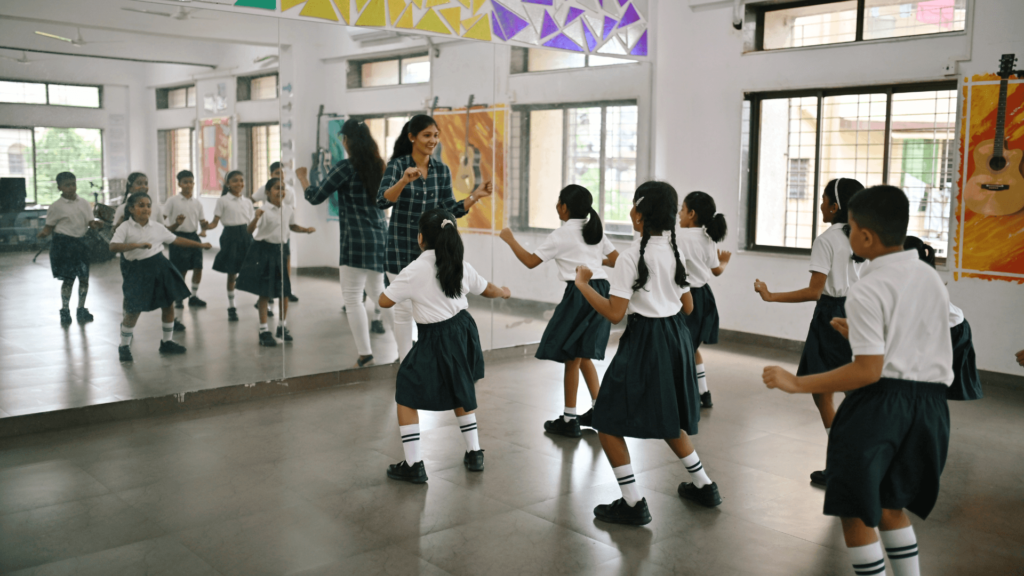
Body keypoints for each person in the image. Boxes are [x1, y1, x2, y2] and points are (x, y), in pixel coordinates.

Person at [763, 185, 952, 576]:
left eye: (849, 228)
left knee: (853, 508)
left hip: (883, 406)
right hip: (931, 409)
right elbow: (916, 339)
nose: (846, 235)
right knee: (890, 505)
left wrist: (796, 383)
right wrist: (865, 336)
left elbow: (868, 371)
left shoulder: (868, 287)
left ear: (865, 236)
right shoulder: (928, 276)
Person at [575, 182, 721, 526]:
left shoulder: (632, 257)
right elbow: (688, 307)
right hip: (676, 337)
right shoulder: (674, 251)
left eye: (632, 205)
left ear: (640, 215)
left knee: (605, 420)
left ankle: (632, 502)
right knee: (669, 415)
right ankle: (704, 486)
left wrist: (583, 285)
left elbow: (614, 314)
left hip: (645, 340)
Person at [379, 208, 511, 483]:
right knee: (460, 385)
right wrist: (503, 292)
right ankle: (474, 453)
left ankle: (413, 464)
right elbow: (486, 288)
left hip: (435, 336)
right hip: (463, 330)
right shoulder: (459, 263)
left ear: (420, 238)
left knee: (406, 389)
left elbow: (384, 301)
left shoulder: (415, 270)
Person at [753, 177, 865, 486]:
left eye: (824, 200)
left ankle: (844, 463)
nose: (820, 206)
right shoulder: (864, 236)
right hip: (861, 311)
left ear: (835, 206)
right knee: (856, 388)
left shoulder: (827, 240)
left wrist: (771, 296)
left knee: (823, 391)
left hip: (832, 317)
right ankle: (861, 459)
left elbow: (816, 291)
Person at [498, 184, 618, 437]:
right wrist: (596, 260)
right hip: (601, 289)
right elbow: (616, 260)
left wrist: (510, 240)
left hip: (580, 293)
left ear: (564, 207)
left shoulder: (560, 235)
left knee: (572, 356)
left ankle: (569, 420)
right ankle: (600, 410)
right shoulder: (594, 230)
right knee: (582, 354)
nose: (556, 207)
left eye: (558, 202)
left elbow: (531, 261)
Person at [377, 114, 493, 361]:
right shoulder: (397, 166)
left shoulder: (441, 170)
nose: (432, 140)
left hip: (431, 252)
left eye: (436, 136)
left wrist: (476, 195)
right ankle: (405, 362)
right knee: (403, 310)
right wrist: (403, 181)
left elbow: (450, 209)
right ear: (412, 137)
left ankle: (428, 359)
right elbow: (382, 201)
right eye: (427, 135)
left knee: (431, 308)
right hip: (399, 250)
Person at [300, 119, 389, 367]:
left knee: (352, 298)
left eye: (344, 140)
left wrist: (303, 179)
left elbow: (316, 197)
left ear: (347, 141)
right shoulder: (380, 166)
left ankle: (366, 355)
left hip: (355, 241)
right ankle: (407, 347)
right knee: (380, 294)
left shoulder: (345, 168)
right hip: (380, 237)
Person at [109, 193, 211, 362]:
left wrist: (200, 245)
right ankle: (124, 346)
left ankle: (167, 342)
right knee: (134, 309)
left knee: (168, 304)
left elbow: (176, 239)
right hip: (138, 271)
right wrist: (136, 245)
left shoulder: (157, 227)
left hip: (160, 267)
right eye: (141, 205)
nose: (146, 209)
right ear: (131, 209)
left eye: (148, 205)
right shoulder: (125, 227)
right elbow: (113, 247)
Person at [236, 178, 315, 346]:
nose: (281, 191)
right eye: (277, 188)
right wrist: (256, 218)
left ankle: (282, 327)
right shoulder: (262, 210)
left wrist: (305, 230)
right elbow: (249, 231)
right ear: (267, 192)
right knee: (264, 292)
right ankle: (263, 330)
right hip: (263, 251)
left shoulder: (288, 209)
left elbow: (292, 226)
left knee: (284, 292)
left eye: (283, 188)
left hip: (280, 251)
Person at [903, 236, 982, 401]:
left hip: (953, 330)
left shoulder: (916, 277)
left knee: (928, 381)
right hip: (950, 327)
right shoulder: (918, 271)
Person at [676, 191, 731, 408]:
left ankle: (684, 396)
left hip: (685, 297)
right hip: (704, 298)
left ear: (691, 214)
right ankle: (703, 392)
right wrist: (724, 261)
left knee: (682, 348)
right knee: (692, 346)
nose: (679, 214)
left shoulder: (679, 238)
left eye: (682, 209)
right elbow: (716, 270)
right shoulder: (708, 239)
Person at [36, 171, 103, 326]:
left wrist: (97, 224)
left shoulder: (84, 203)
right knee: (68, 280)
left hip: (81, 244)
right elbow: (49, 227)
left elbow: (90, 223)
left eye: (73, 184)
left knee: (84, 278)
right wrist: (43, 234)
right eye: (67, 185)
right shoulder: (56, 207)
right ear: (59, 187)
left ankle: (81, 309)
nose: (71, 187)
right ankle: (65, 310)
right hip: (64, 246)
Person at [163, 170, 210, 332]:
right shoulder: (172, 201)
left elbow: (202, 222)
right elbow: (162, 218)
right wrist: (170, 227)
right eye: (185, 182)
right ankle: (179, 298)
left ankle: (193, 296)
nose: (188, 185)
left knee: (198, 267)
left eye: (191, 182)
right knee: (181, 270)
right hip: (178, 237)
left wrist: (205, 228)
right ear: (179, 184)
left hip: (193, 236)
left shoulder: (197, 203)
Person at [207, 171, 254, 322]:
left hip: (246, 236)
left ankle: (263, 302)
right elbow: (215, 222)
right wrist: (206, 226)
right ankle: (232, 306)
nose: (239, 183)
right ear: (228, 184)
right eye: (235, 181)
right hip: (230, 237)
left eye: (241, 180)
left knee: (255, 269)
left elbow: (251, 223)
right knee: (232, 273)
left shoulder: (247, 202)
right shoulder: (223, 201)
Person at [253, 161, 300, 303]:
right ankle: (266, 295)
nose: (280, 176)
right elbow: (251, 200)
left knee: (285, 261)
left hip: (283, 233)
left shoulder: (289, 190)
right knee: (267, 266)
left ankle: (287, 290)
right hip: (268, 234)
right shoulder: (265, 188)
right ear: (271, 174)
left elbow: (291, 210)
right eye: (277, 173)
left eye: (282, 173)